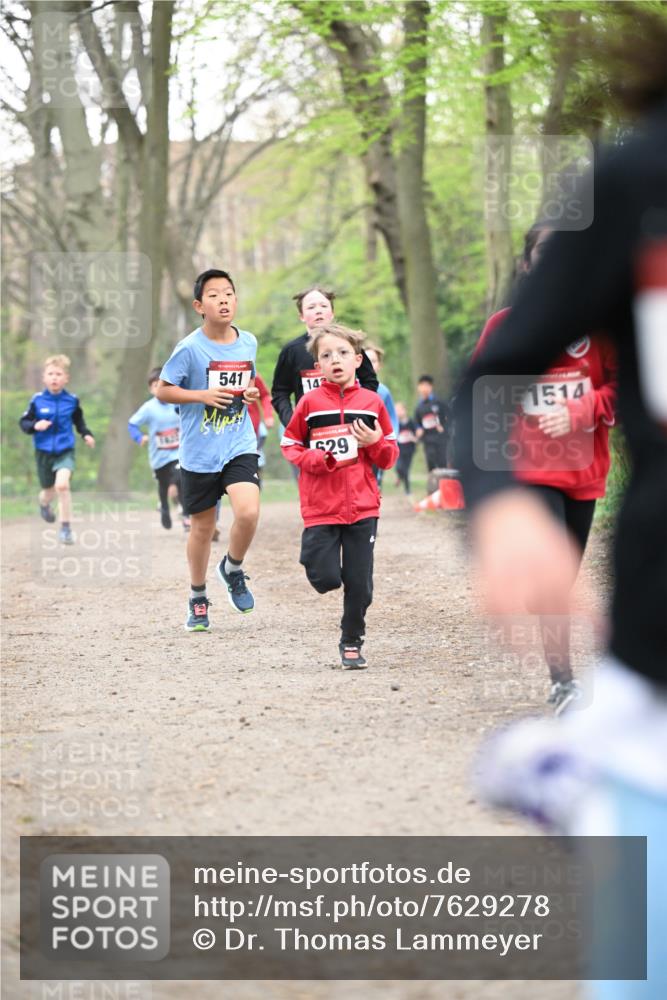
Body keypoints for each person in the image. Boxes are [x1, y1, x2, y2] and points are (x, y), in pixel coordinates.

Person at [454, 45, 667, 998]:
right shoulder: (633, 181)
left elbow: (606, 384)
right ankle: (593, 723)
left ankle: (578, 754)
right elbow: (493, 374)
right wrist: (497, 510)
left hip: (585, 470)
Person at [472, 224, 617, 713]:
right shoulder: (505, 325)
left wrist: (580, 408)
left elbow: (623, 389)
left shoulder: (603, 325)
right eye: (546, 253)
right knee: (551, 580)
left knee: (564, 574)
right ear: (528, 265)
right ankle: (563, 681)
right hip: (530, 469)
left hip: (584, 468)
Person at [281, 323, 398, 668]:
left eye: (343, 353)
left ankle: (351, 640)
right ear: (317, 366)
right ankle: (316, 562)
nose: (336, 360)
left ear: (358, 360)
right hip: (321, 506)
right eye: (327, 355)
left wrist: (374, 442)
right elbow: (290, 444)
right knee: (327, 577)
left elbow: (389, 455)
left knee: (359, 583)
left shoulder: (373, 403)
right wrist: (317, 458)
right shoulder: (310, 404)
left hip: (363, 506)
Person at [157, 268, 261, 632]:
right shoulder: (189, 348)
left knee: (247, 513)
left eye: (229, 293)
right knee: (203, 528)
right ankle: (198, 596)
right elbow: (163, 390)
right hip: (199, 452)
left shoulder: (248, 342)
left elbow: (246, 385)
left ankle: (232, 568)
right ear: (200, 306)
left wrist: (248, 394)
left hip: (238, 442)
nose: (224, 300)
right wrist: (200, 395)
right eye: (214, 295)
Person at [270, 286, 378, 430]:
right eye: (311, 307)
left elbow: (369, 381)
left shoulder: (349, 344)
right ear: (301, 316)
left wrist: (361, 414)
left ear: (332, 313)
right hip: (311, 429)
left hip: (350, 426)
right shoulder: (292, 351)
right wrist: (292, 422)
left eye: (323, 306)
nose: (318, 310)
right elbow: (280, 392)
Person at [19, 354, 95, 544]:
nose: (54, 377)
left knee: (62, 485)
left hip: (65, 450)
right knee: (48, 491)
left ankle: (66, 529)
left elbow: (79, 421)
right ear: (44, 378)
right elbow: (24, 422)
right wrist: (35, 425)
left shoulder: (72, 400)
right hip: (43, 452)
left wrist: (86, 434)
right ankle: (44, 504)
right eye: (50, 374)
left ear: (66, 378)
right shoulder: (36, 400)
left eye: (58, 374)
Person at [128, 367, 189, 531]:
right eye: (155, 385)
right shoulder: (149, 408)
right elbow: (132, 424)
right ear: (151, 389)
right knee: (163, 485)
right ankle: (164, 508)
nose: (158, 388)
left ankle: (186, 517)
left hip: (178, 454)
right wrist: (139, 437)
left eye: (161, 384)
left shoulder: (177, 402)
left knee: (180, 479)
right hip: (159, 457)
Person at [414, 374, 450, 471]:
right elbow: (417, 423)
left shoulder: (439, 402)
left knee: (442, 462)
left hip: (441, 438)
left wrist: (444, 426)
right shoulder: (419, 407)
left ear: (431, 387)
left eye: (427, 385)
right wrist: (418, 430)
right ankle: (434, 485)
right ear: (419, 388)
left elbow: (449, 415)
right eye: (422, 386)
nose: (424, 388)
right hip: (428, 439)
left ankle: (444, 485)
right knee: (431, 462)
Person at [247, 372, 274, 488]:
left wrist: (268, 415)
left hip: (251, 431)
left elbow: (265, 395)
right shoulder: (210, 368)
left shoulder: (251, 372)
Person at [394, 401, 418, 498]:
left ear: (404, 411)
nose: (397, 412)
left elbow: (417, 432)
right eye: (396, 410)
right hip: (399, 449)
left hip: (409, 450)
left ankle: (407, 490)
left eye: (399, 410)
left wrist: (415, 438)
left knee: (406, 470)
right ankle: (400, 476)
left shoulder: (411, 422)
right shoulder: (396, 423)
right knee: (399, 467)